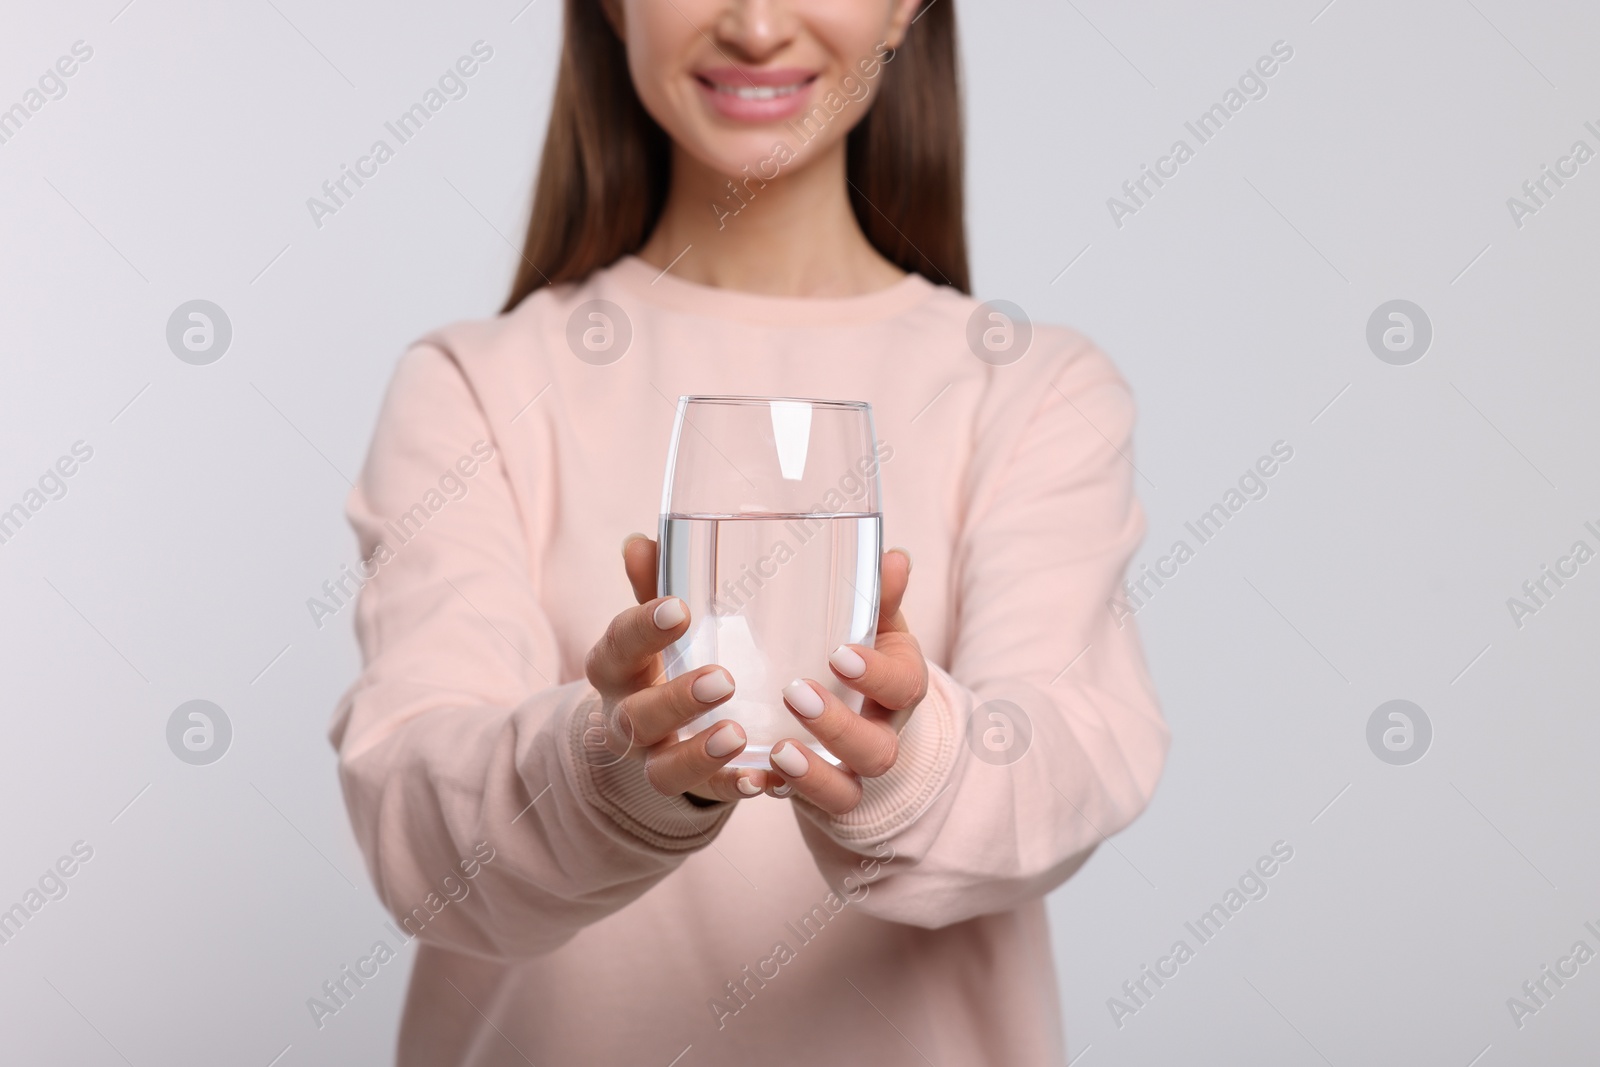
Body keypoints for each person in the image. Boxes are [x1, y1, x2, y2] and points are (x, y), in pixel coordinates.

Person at [329, 0, 1169, 1062]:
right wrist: (615, 770)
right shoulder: (476, 389)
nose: (758, 24)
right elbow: (414, 823)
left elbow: (1073, 761)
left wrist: (903, 760)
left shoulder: (1031, 389)